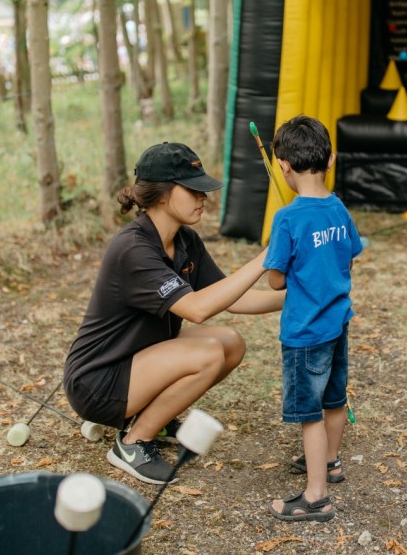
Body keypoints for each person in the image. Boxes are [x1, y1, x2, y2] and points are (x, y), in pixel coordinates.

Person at [63, 142, 283, 484]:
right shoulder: (133, 249)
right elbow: (197, 309)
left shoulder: (185, 240)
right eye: (193, 190)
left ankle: (154, 416)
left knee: (231, 343)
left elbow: (230, 298)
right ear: (163, 194)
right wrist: (265, 258)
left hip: (137, 361)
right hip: (99, 381)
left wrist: (295, 298)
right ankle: (133, 443)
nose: (203, 197)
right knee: (209, 354)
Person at [263, 115, 362, 522]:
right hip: (337, 325)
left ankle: (316, 495)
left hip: (305, 334)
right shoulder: (339, 208)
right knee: (334, 399)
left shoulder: (287, 219)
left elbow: (275, 281)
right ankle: (331, 462)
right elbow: (349, 257)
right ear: (331, 160)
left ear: (284, 166)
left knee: (310, 414)